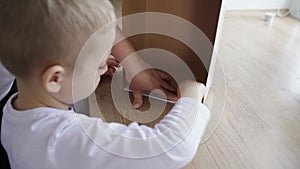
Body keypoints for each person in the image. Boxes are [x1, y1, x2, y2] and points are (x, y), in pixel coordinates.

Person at [0, 1, 210, 169]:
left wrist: (87, 66)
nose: (104, 70)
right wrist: (190, 96)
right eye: (99, 66)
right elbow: (168, 148)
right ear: (55, 79)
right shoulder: (59, 140)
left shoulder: (16, 114)